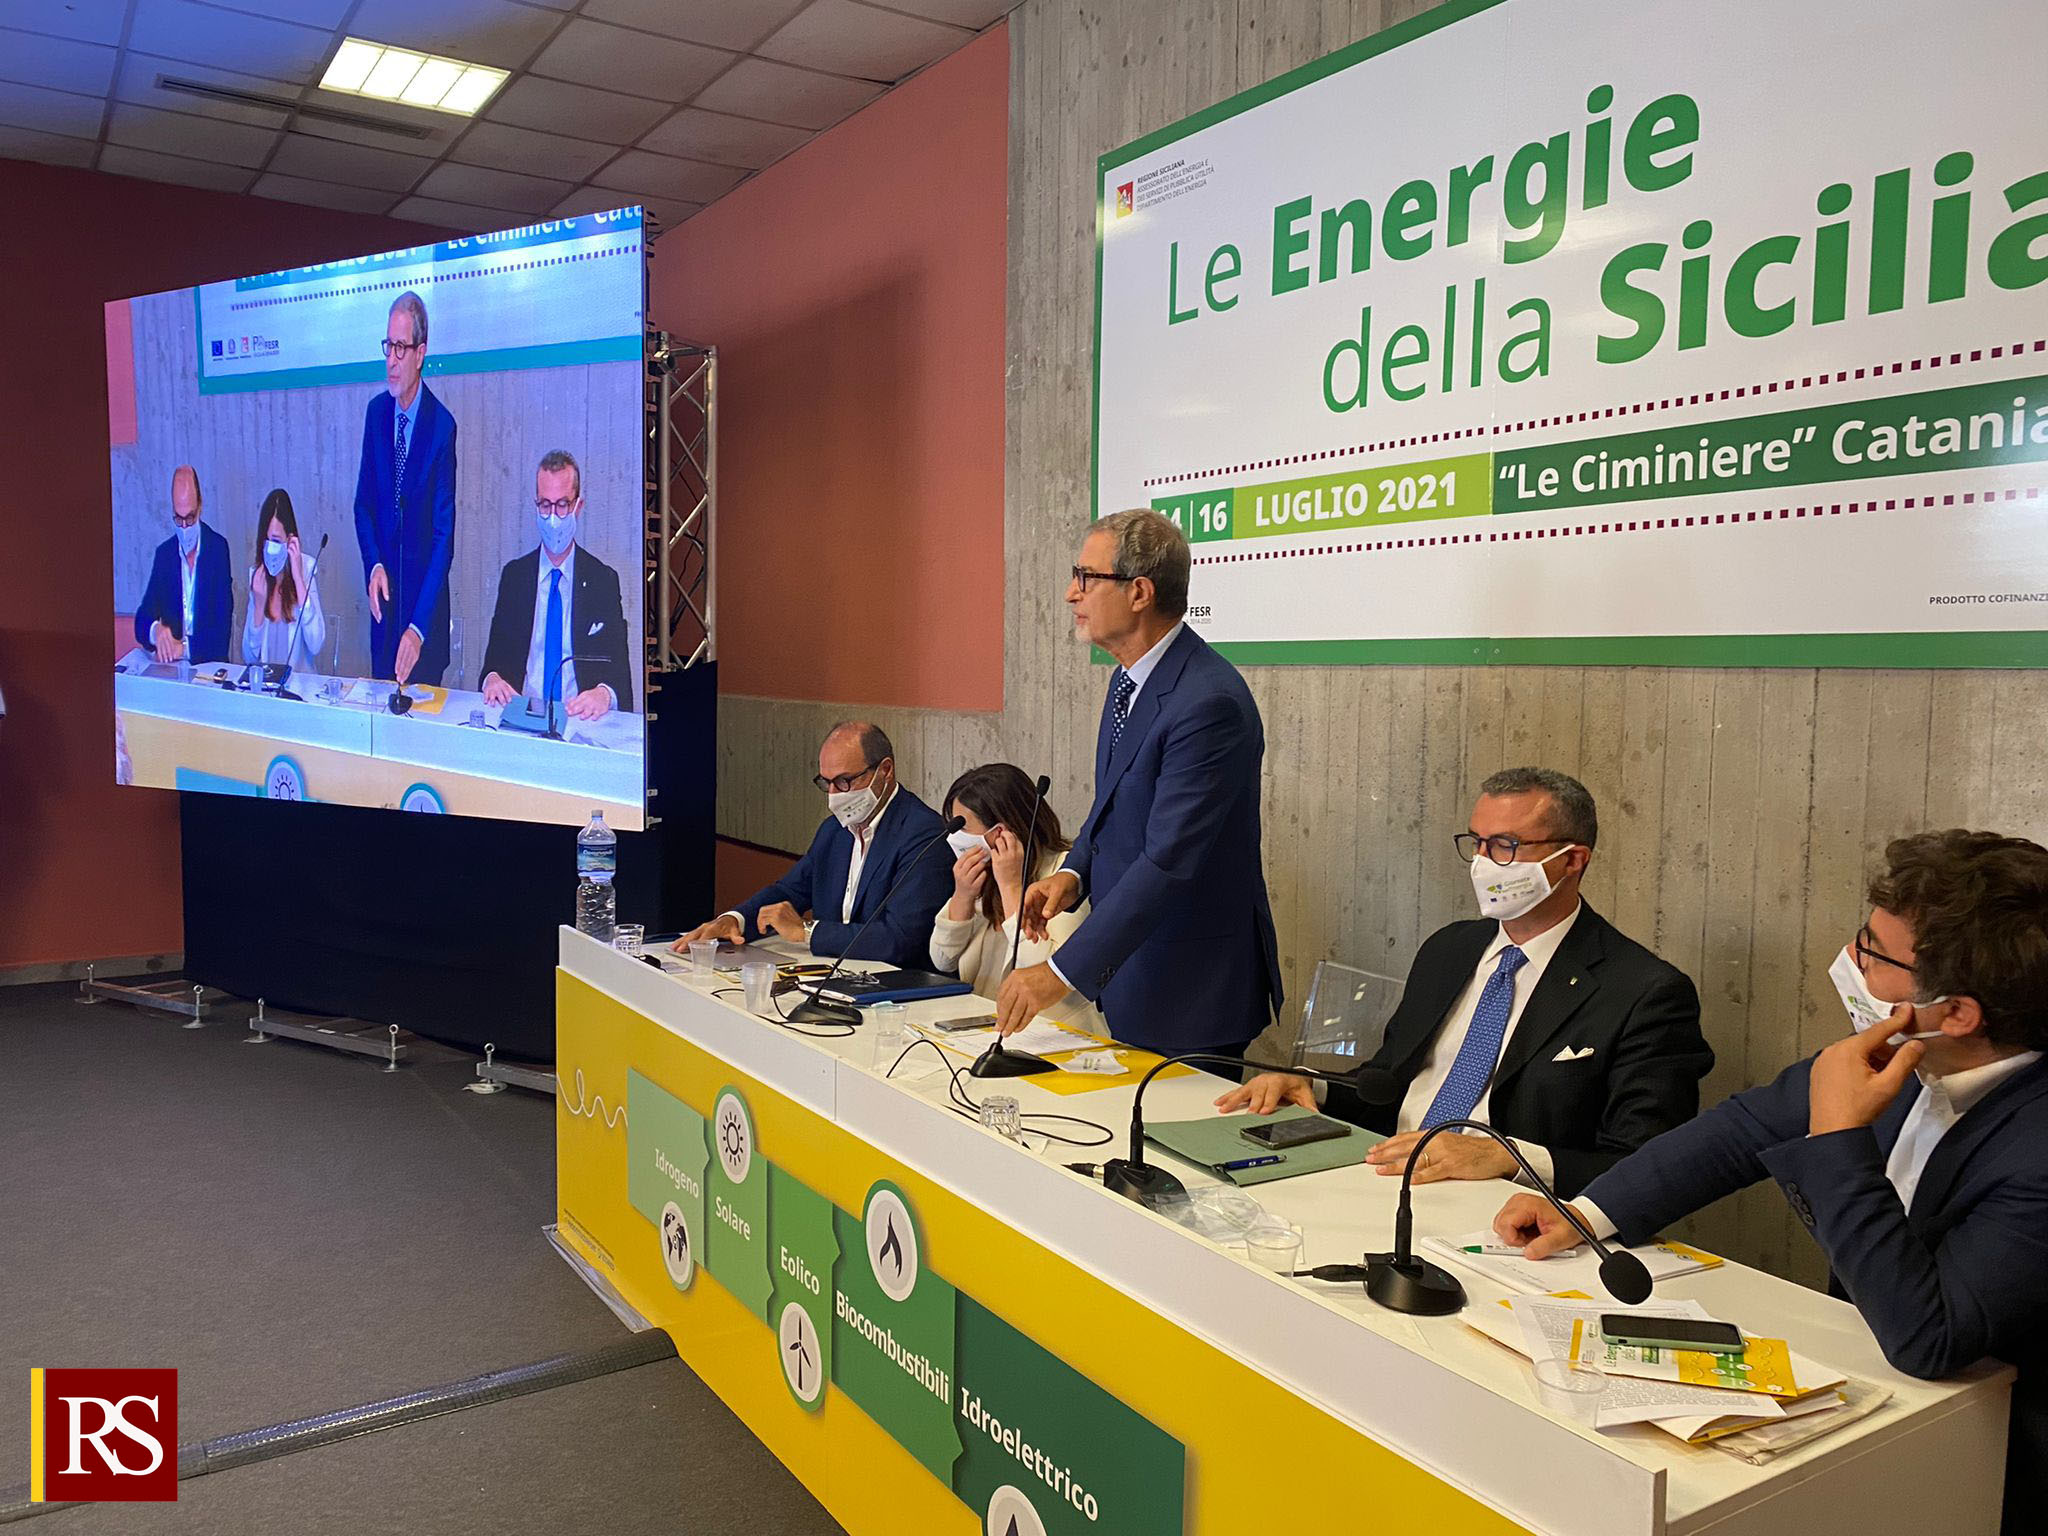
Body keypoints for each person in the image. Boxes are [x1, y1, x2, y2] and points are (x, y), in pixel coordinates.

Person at [1493, 829, 2048, 1528]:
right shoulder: (1909, 1049)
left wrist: (1839, 1136)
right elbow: (1744, 1129)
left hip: (1984, 1460)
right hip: (1873, 1386)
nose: (1850, 960)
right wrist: (1588, 1211)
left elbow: (1929, 1339)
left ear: (1958, 1013)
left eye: (1875, 954)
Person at [1218, 768, 1712, 1198]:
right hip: (1385, 1173)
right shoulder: (1449, 949)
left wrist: (1507, 1157)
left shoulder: (1644, 992)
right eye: (1477, 842)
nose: (1483, 862)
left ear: (1572, 859)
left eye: (1506, 846)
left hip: (1507, 1207)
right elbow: (1389, 1082)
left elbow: (1648, 1164)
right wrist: (1313, 1086)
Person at [997, 508, 1281, 1058]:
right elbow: (1112, 806)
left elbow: (1168, 859)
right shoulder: (1128, 680)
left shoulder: (1208, 702)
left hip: (1189, 991)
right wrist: (1074, 874)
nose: (1071, 593)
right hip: (1134, 979)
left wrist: (1059, 972)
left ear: (1139, 592)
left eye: (1086, 577)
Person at [672, 723, 950, 969]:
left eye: (844, 781)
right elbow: (789, 891)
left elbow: (901, 938)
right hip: (834, 975)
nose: (834, 795)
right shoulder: (834, 830)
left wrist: (807, 931)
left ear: (885, 771)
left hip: (897, 986)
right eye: (826, 783)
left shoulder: (923, 835)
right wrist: (735, 920)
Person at [930, 763, 1104, 1032]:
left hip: (1059, 1034)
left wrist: (1011, 887)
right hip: (985, 1028)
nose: (957, 838)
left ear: (1002, 833)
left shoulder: (1065, 874)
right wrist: (962, 896)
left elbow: (1046, 974)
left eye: (964, 827)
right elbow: (943, 959)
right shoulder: (984, 873)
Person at [479, 450, 634, 720]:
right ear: (535, 505)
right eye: (545, 505)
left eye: (562, 504)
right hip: (522, 716)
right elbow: (493, 664)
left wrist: (604, 694)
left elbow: (620, 677)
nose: (553, 517)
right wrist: (492, 679)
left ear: (578, 506)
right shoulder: (515, 577)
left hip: (579, 720)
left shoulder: (603, 581)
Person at [352, 290, 456, 686]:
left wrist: (417, 628)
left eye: (401, 347)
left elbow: (443, 538)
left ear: (420, 353)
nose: (392, 360)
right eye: (388, 346)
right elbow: (363, 505)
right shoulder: (376, 414)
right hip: (384, 618)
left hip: (422, 626)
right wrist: (374, 564)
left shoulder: (442, 428)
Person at [133, 465, 231, 664]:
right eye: (178, 518)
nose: (184, 526)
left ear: (200, 506)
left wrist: (183, 649)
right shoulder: (164, 555)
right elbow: (142, 619)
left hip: (209, 668)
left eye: (190, 518)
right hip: (173, 670)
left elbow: (222, 635)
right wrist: (156, 631)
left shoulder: (218, 549)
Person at [241, 488, 326, 673]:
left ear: (290, 539)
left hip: (298, 686)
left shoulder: (307, 568)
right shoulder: (257, 575)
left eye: (276, 540)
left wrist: (298, 578)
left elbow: (316, 644)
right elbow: (249, 657)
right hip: (265, 686)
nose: (270, 548)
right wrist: (258, 606)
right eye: (266, 540)